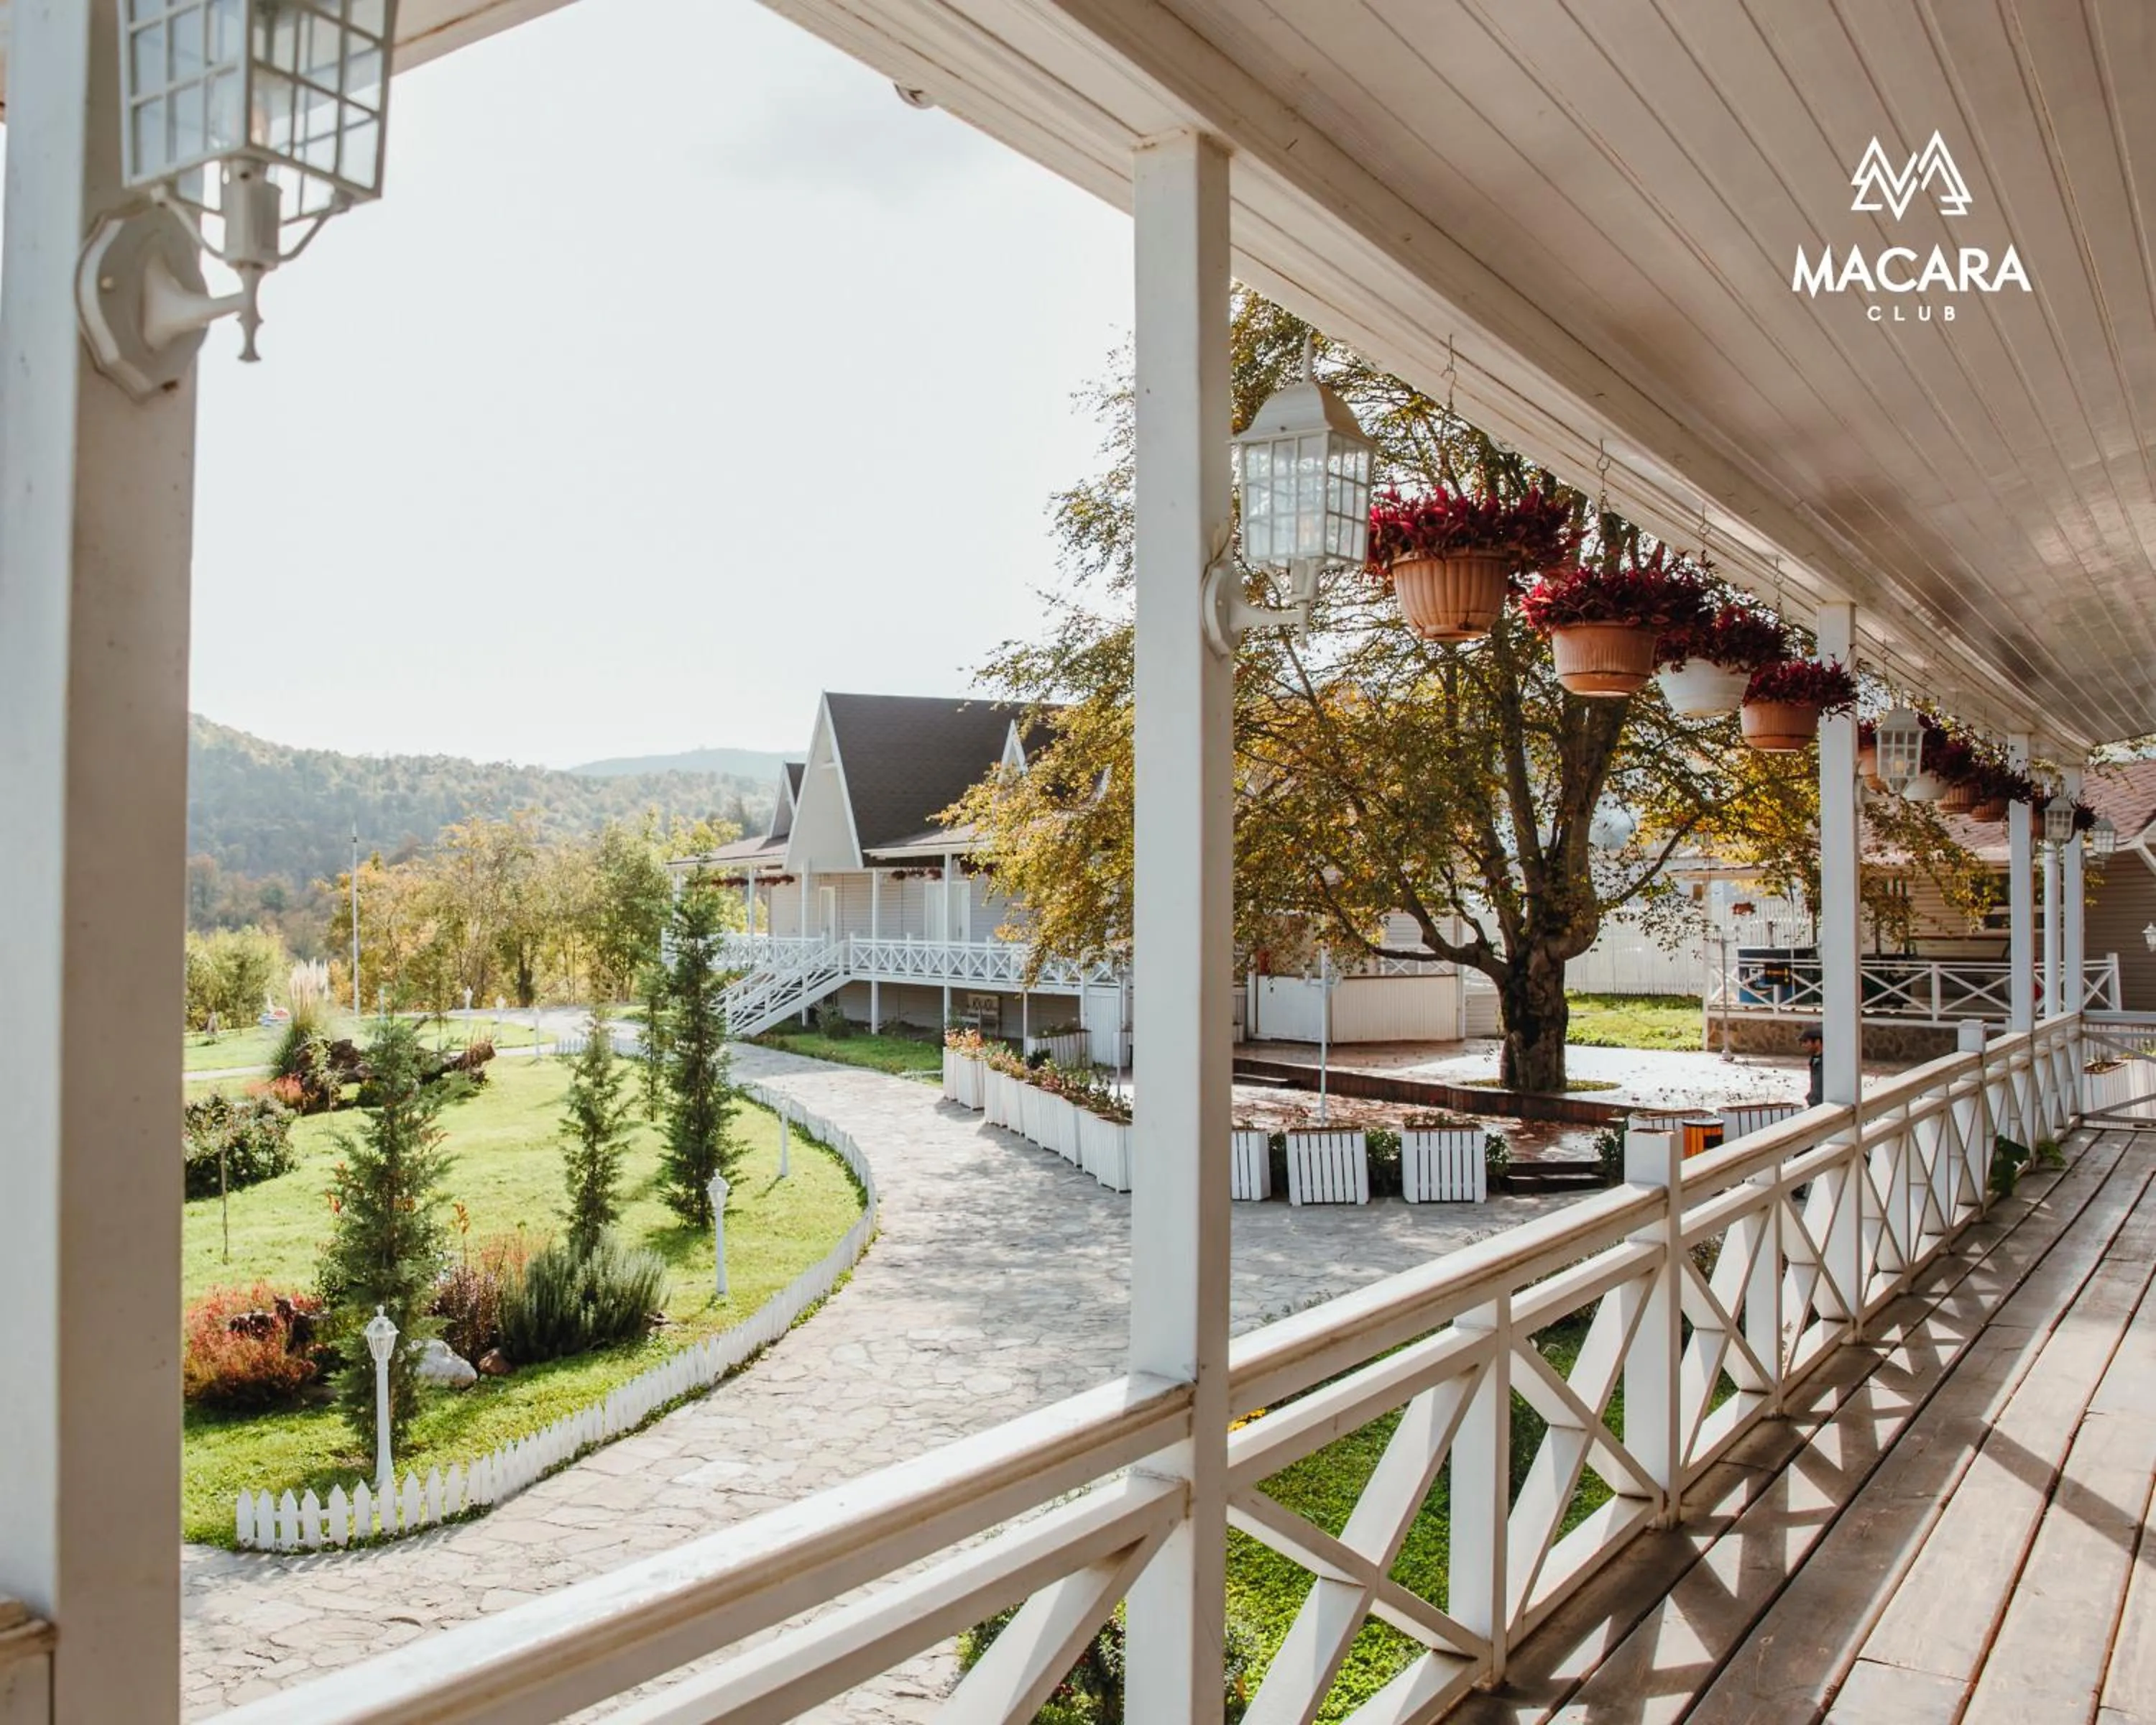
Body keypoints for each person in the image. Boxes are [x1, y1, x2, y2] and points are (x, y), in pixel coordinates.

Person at [1799, 1023, 1824, 1108]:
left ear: (1817, 1042)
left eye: (1806, 1042)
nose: (1803, 1045)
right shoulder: (1814, 1060)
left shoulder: (1829, 1062)